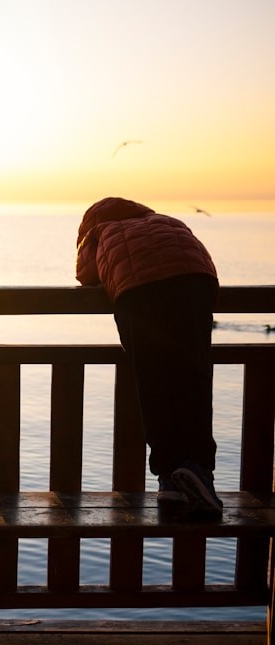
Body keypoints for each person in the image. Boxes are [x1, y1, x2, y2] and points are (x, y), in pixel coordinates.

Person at [76, 197, 221, 515]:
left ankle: (169, 478)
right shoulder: (168, 222)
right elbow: (197, 254)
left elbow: (85, 275)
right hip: (193, 283)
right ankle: (199, 473)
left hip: (140, 291)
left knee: (153, 381)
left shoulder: (100, 231)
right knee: (193, 377)